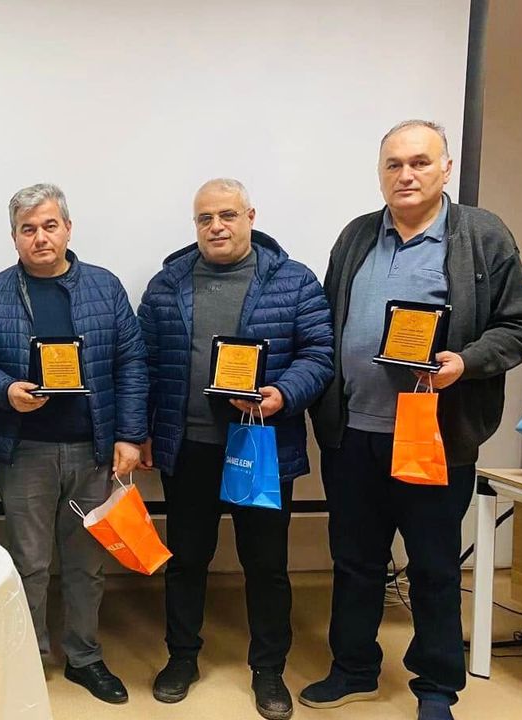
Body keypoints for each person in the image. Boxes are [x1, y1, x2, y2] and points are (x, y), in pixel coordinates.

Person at [304, 120, 522, 720]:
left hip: (434, 439)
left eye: (419, 162)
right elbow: (329, 321)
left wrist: (465, 362)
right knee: (355, 563)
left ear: (445, 168)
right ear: (380, 173)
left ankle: (435, 688)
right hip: (353, 435)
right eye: (393, 164)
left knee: (433, 567)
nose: (405, 175)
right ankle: (353, 669)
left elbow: (518, 326)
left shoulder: (482, 235)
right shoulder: (357, 235)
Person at [137, 178, 333, 720]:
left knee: (266, 564)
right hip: (189, 448)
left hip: (262, 445)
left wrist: (283, 394)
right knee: (187, 560)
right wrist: (142, 429)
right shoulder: (168, 283)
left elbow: (319, 353)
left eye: (227, 215)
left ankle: (269, 669)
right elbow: (144, 363)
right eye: (205, 218)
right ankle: (181, 658)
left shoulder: (293, 280)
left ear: (250, 216)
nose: (216, 226)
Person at [0, 182, 148, 704]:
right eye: (28, 229)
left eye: (50, 226)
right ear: (14, 237)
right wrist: (6, 390)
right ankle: (28, 656)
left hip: (94, 449)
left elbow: (131, 362)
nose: (40, 237)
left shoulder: (104, 287)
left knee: (87, 564)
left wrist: (130, 436)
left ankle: (84, 657)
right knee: (29, 562)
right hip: (25, 451)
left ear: (68, 228)